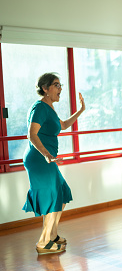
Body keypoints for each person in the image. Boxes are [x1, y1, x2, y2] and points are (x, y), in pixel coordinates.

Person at [23, 73, 85, 254]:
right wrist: (47, 155)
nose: (60, 89)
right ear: (45, 88)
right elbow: (32, 134)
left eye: (60, 85)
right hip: (40, 159)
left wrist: (81, 110)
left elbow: (64, 125)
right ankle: (43, 242)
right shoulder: (40, 108)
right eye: (56, 85)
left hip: (47, 159)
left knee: (62, 193)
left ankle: (53, 235)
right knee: (52, 198)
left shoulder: (49, 108)